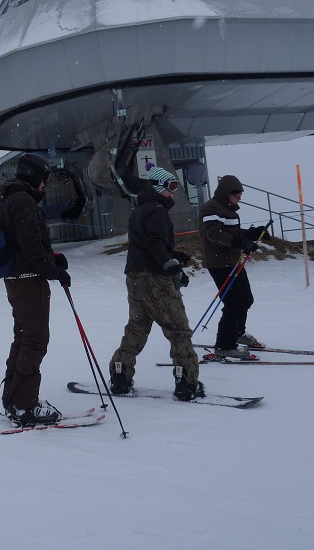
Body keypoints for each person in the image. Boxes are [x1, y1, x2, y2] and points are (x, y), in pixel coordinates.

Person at [108, 167, 204, 401]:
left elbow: (147, 244)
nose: (174, 192)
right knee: (178, 329)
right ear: (159, 187)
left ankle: (120, 373)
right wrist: (170, 266)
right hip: (155, 277)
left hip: (135, 277)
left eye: (176, 187)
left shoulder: (139, 210)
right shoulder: (158, 211)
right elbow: (153, 244)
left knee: (137, 326)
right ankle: (186, 381)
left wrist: (174, 255)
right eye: (171, 187)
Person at [0, 153, 71, 426]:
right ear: (34, 176)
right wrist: (55, 272)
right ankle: (23, 405)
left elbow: (26, 245)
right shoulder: (23, 201)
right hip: (28, 280)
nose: (46, 184)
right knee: (35, 340)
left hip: (19, 279)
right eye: (46, 178)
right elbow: (30, 248)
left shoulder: (12, 199)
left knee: (23, 337)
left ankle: (13, 398)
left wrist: (53, 260)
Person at [198, 174, 268, 359]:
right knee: (234, 303)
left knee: (246, 299)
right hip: (219, 263)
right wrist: (240, 243)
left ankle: (237, 333)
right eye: (236, 193)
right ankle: (224, 345)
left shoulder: (230, 210)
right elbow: (214, 234)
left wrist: (253, 233)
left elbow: (234, 233)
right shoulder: (211, 209)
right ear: (225, 192)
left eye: (240, 193)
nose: (239, 197)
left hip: (232, 261)